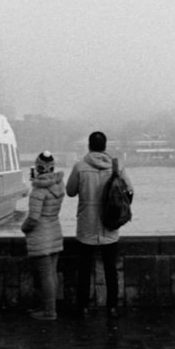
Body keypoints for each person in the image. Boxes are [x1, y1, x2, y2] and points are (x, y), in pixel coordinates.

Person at [65, 131, 132, 318]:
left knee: (84, 269)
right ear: (105, 146)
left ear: (89, 145)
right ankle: (112, 307)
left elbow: (70, 191)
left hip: (87, 225)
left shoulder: (80, 167)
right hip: (109, 224)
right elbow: (130, 191)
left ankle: (83, 307)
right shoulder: (117, 167)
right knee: (110, 269)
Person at [21, 151, 65, 321]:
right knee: (52, 274)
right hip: (54, 231)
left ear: (38, 167)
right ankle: (48, 307)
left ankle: (49, 312)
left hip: (41, 235)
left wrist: (24, 228)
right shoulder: (58, 187)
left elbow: (33, 218)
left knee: (45, 275)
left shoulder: (38, 192)